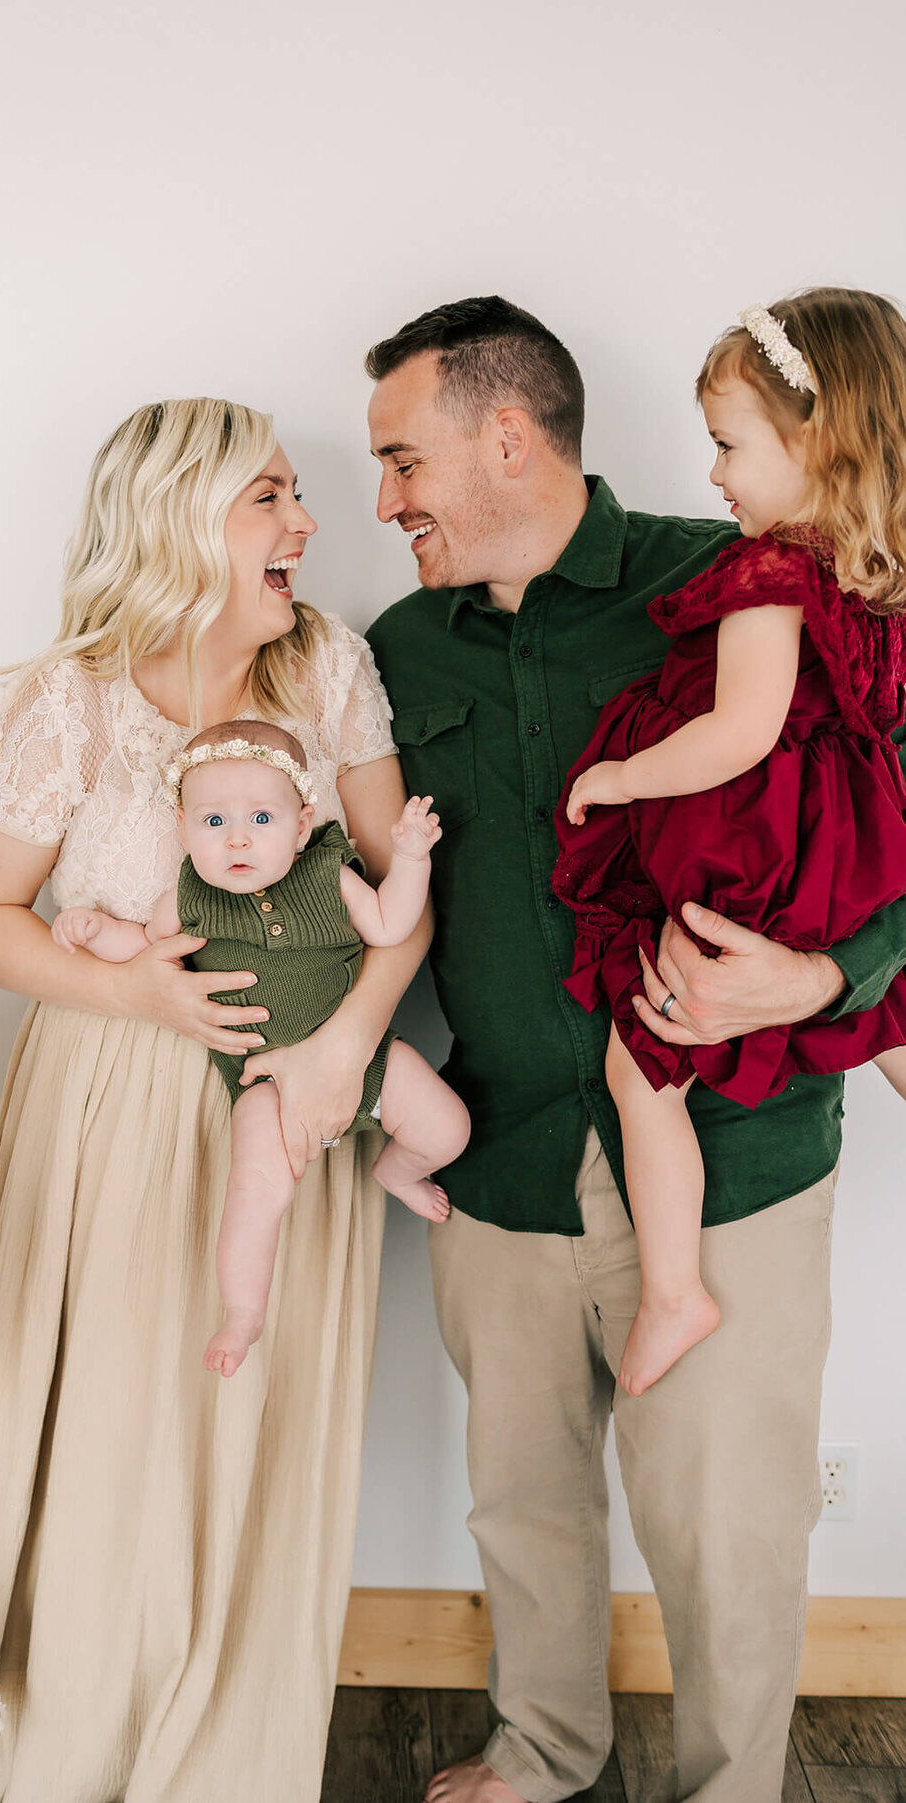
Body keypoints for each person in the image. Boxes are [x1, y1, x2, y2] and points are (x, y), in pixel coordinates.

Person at [363, 296, 906, 1803]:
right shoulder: (395, 650)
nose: (387, 500)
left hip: (741, 1153)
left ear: (510, 437)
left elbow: (896, 806)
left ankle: (736, 1786)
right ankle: (544, 1750)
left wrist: (817, 975)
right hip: (509, 1154)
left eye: (404, 459)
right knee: (522, 1504)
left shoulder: (733, 584)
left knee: (733, 1528)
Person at [0, 398, 423, 1803]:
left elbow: (401, 901)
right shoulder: (74, 697)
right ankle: (61, 1734)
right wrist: (141, 994)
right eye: (273, 496)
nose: (309, 526)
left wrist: (347, 1057)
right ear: (183, 518)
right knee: (108, 1417)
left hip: (293, 1097)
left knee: (243, 1409)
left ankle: (219, 1755)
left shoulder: (330, 668)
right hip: (111, 1103)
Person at [551, 291, 906, 1397]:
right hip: (851, 857)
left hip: (761, 856)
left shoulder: (771, 573)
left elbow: (738, 732)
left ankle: (673, 1291)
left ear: (819, 443)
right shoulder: (875, 578)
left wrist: (618, 777)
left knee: (638, 1056)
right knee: (884, 1014)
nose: (712, 477)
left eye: (727, 445)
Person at [51, 718, 469, 1374]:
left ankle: (399, 1168)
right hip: (263, 1080)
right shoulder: (191, 896)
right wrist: (97, 928)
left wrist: (412, 858)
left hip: (366, 1057)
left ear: (302, 825)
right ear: (185, 831)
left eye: (261, 819)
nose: (237, 836)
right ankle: (243, 1312)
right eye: (213, 822)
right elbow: (143, 944)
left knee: (449, 1128)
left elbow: (392, 923)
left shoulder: (330, 874)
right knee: (253, 1187)